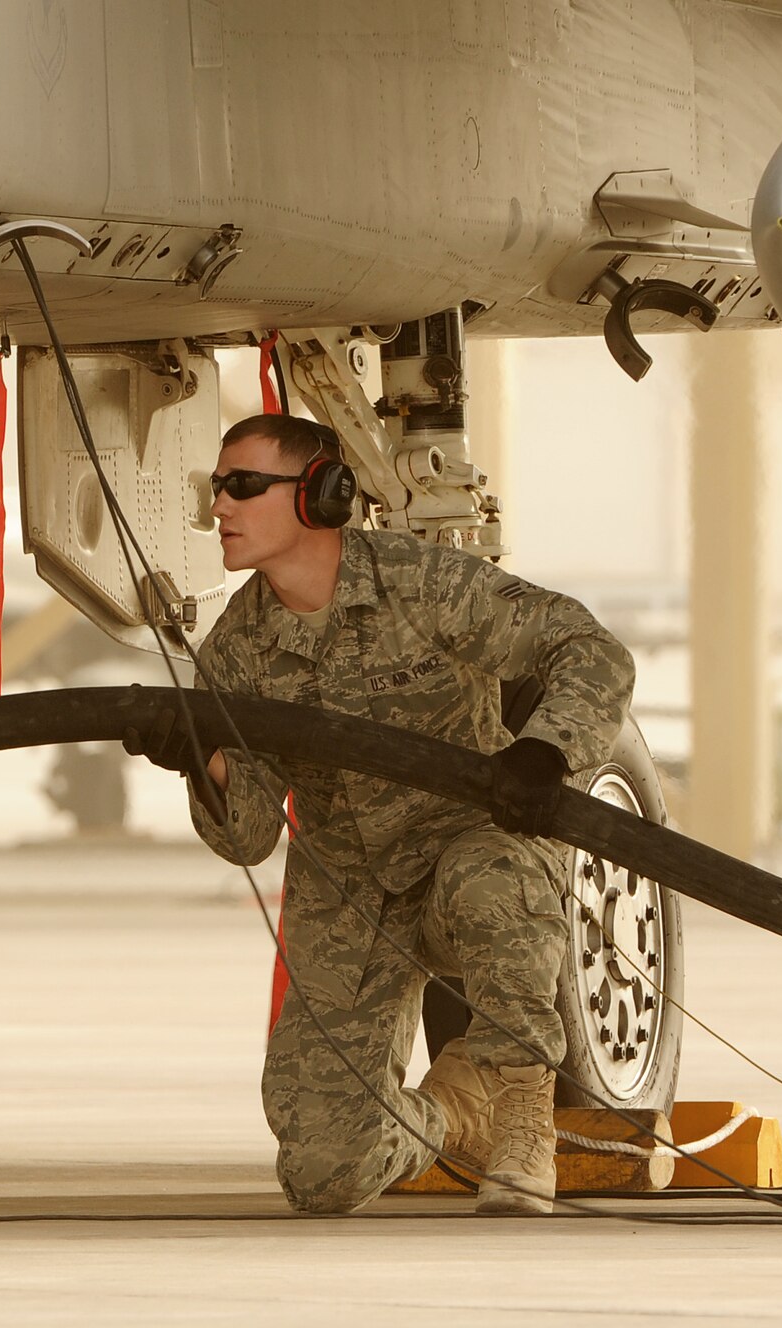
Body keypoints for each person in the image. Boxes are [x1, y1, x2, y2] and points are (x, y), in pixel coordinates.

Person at [126, 412, 634, 1216]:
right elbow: (251, 835)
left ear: (321, 495)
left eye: (243, 486)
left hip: (467, 845)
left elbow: (589, 648)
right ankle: (460, 1109)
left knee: (489, 881)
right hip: (351, 889)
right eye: (215, 488)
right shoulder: (235, 652)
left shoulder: (422, 584)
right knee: (324, 1172)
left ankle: (523, 1107)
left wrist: (545, 753)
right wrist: (203, 756)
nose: (218, 507)